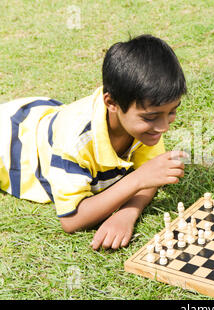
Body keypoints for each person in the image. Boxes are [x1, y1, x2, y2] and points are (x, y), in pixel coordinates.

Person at [0, 35, 188, 250]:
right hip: (10, 142)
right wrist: (137, 179)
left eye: (172, 112)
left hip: (43, 117)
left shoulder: (146, 123)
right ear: (112, 103)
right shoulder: (74, 142)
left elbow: (152, 175)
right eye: (151, 117)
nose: (164, 126)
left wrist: (128, 212)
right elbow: (71, 219)